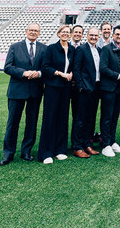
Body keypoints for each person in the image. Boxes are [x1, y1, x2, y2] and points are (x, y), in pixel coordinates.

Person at [0, 23, 47, 166]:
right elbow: (7, 67)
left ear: (39, 33)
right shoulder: (15, 47)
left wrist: (38, 73)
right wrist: (23, 73)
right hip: (17, 91)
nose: (33, 32)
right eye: (31, 30)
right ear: (26, 31)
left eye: (36, 31)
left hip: (35, 91)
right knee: (13, 123)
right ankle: (8, 153)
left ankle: (26, 151)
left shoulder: (44, 48)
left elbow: (46, 68)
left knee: (31, 123)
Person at [39, 25, 76, 164]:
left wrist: (71, 73)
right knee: (50, 119)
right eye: (63, 32)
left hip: (66, 88)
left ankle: (59, 150)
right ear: (58, 33)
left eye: (68, 32)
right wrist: (60, 73)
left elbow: (73, 66)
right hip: (52, 87)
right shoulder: (51, 48)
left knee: (62, 119)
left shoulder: (72, 49)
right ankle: (46, 153)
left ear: (71, 35)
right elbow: (45, 67)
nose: (66, 34)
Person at [99, 26, 120, 157]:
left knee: (115, 117)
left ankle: (112, 141)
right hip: (109, 87)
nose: (119, 36)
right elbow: (103, 68)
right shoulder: (106, 49)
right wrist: (118, 76)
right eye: (117, 34)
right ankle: (105, 144)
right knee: (107, 117)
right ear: (113, 35)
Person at [71, 27, 101, 158]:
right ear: (87, 36)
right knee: (80, 119)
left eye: (96, 35)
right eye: (91, 35)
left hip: (96, 89)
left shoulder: (99, 50)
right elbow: (76, 69)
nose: (94, 37)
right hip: (84, 89)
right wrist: (80, 87)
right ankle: (77, 147)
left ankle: (87, 144)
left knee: (91, 118)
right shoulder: (81, 49)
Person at [68, 24, 84, 151]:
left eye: (80, 32)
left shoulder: (82, 48)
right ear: (72, 33)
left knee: (78, 116)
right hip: (64, 85)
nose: (78, 34)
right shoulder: (66, 46)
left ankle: (76, 142)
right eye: (76, 32)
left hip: (77, 87)